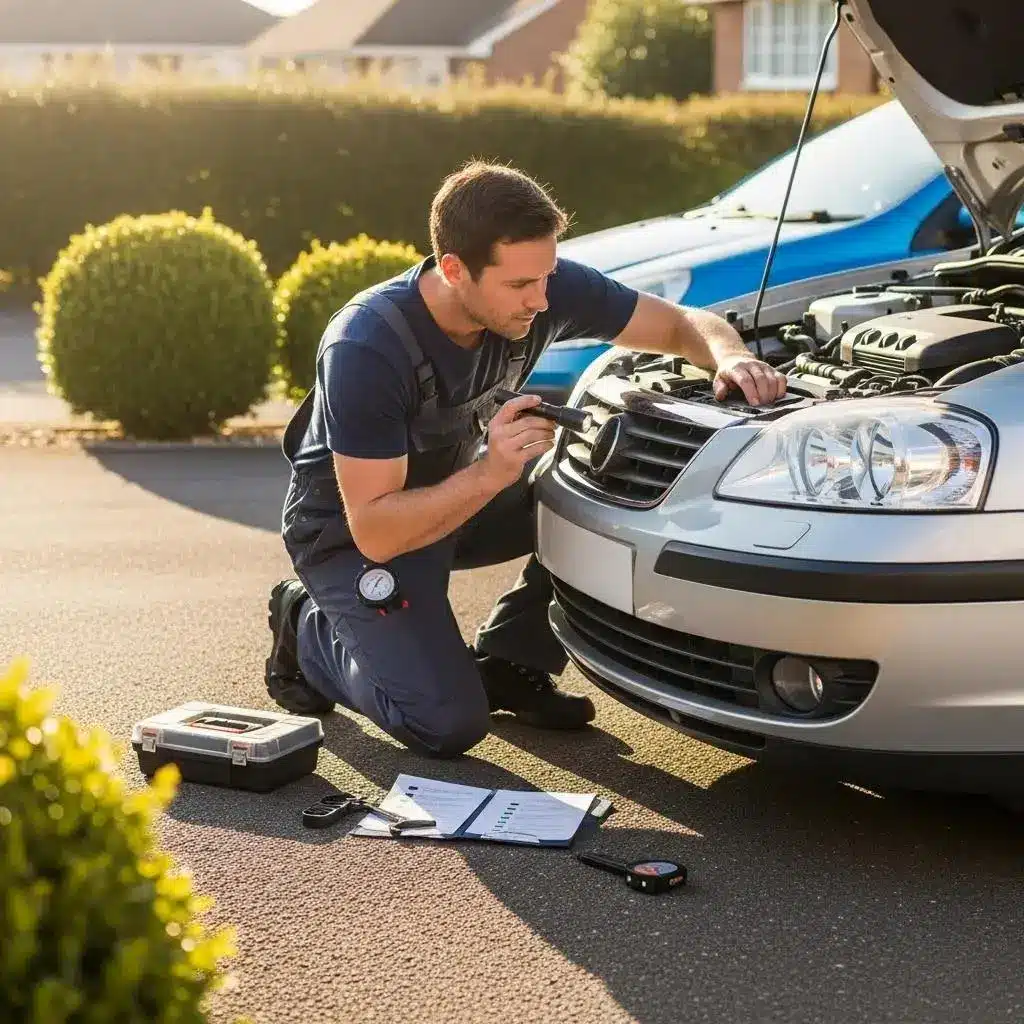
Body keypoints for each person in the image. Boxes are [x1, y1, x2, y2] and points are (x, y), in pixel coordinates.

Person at [265, 161, 787, 758]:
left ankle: (511, 659)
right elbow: (378, 530)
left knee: (599, 486)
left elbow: (679, 324)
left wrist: (729, 357)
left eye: (546, 276)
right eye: (519, 286)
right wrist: (491, 470)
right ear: (454, 269)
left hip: (463, 499)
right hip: (356, 534)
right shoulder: (367, 347)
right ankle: (306, 625)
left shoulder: (542, 285)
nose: (541, 300)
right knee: (445, 724)